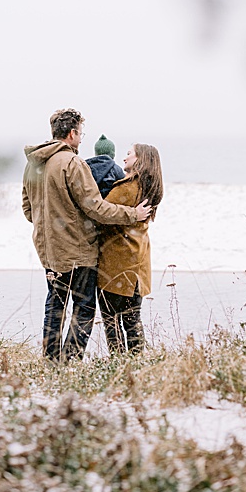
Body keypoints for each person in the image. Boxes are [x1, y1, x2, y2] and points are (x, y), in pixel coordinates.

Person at [21, 109, 153, 362]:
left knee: (55, 305)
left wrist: (52, 226)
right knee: (83, 309)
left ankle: (51, 361)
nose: (81, 140)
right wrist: (132, 214)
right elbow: (96, 208)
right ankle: (70, 362)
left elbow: (29, 210)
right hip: (79, 251)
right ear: (71, 134)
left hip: (48, 251)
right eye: (80, 134)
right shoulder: (72, 163)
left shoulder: (33, 165)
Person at [96, 142, 164, 354]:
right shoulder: (149, 188)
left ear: (140, 160)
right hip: (138, 267)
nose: (124, 158)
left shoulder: (126, 188)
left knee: (112, 321)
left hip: (116, 266)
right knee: (133, 321)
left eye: (129, 154)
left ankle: (118, 366)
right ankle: (137, 365)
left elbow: (100, 215)